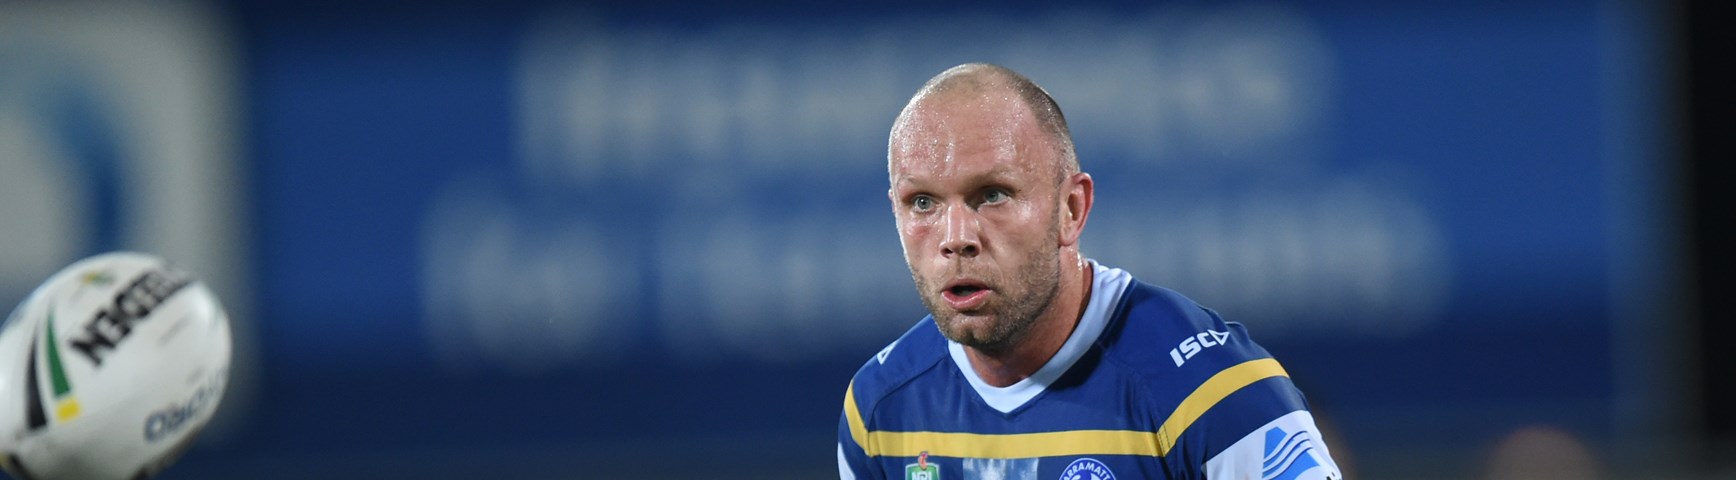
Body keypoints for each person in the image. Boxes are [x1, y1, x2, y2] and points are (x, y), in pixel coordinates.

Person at [837, 63, 1343, 480]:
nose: (955, 237)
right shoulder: (880, 411)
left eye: (992, 195)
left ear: (1071, 210)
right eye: (922, 202)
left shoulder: (1213, 394)